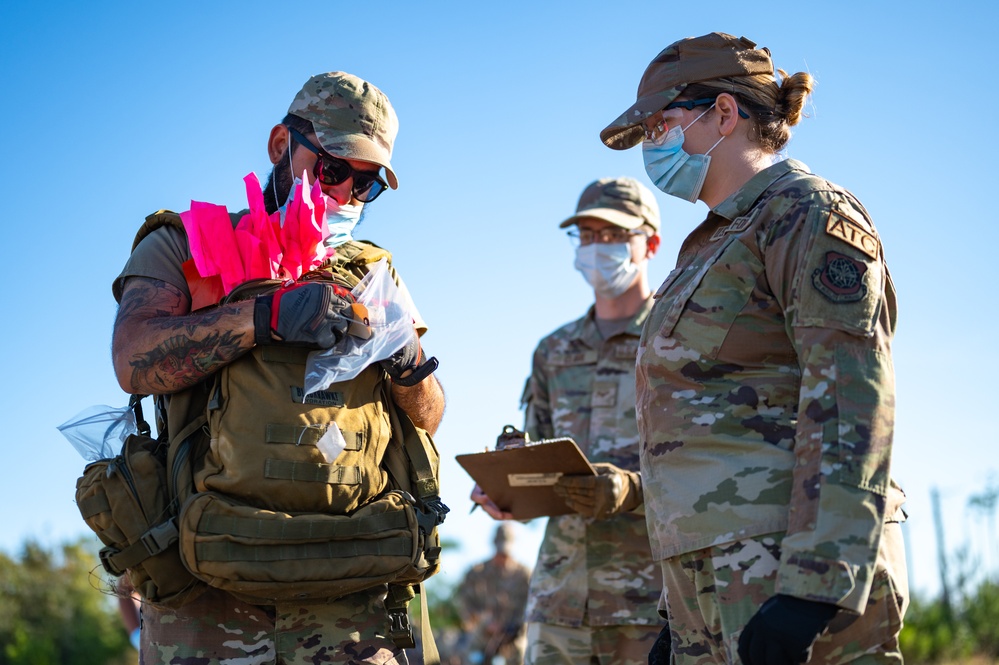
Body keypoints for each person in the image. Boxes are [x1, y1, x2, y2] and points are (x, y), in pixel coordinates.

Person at [111, 71, 445, 664]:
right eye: (333, 170)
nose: (344, 196)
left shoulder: (373, 273)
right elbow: (134, 359)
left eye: (367, 185)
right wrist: (261, 319)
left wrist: (405, 357)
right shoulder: (184, 245)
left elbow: (432, 415)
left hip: (355, 599)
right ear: (279, 147)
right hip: (210, 600)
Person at [599, 32, 909, 664]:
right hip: (714, 583)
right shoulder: (711, 244)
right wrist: (676, 615)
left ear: (723, 113)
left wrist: (813, 590)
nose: (654, 144)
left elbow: (851, 399)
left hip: (789, 576)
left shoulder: (805, 213)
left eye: (662, 123)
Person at [471, 177, 667, 665]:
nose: (597, 248)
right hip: (559, 604)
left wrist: (631, 489)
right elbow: (538, 462)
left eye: (613, 234)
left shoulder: (679, 338)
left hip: (653, 604)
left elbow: (712, 463)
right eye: (587, 236)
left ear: (652, 243)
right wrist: (506, 487)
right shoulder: (553, 351)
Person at [455, 524, 532, 665]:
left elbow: (531, 607)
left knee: (524, 655)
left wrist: (512, 628)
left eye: (505, 553)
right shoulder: (476, 573)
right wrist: (485, 623)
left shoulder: (524, 575)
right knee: (467, 654)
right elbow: (464, 603)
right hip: (482, 637)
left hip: (514, 639)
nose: (502, 557)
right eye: (500, 552)